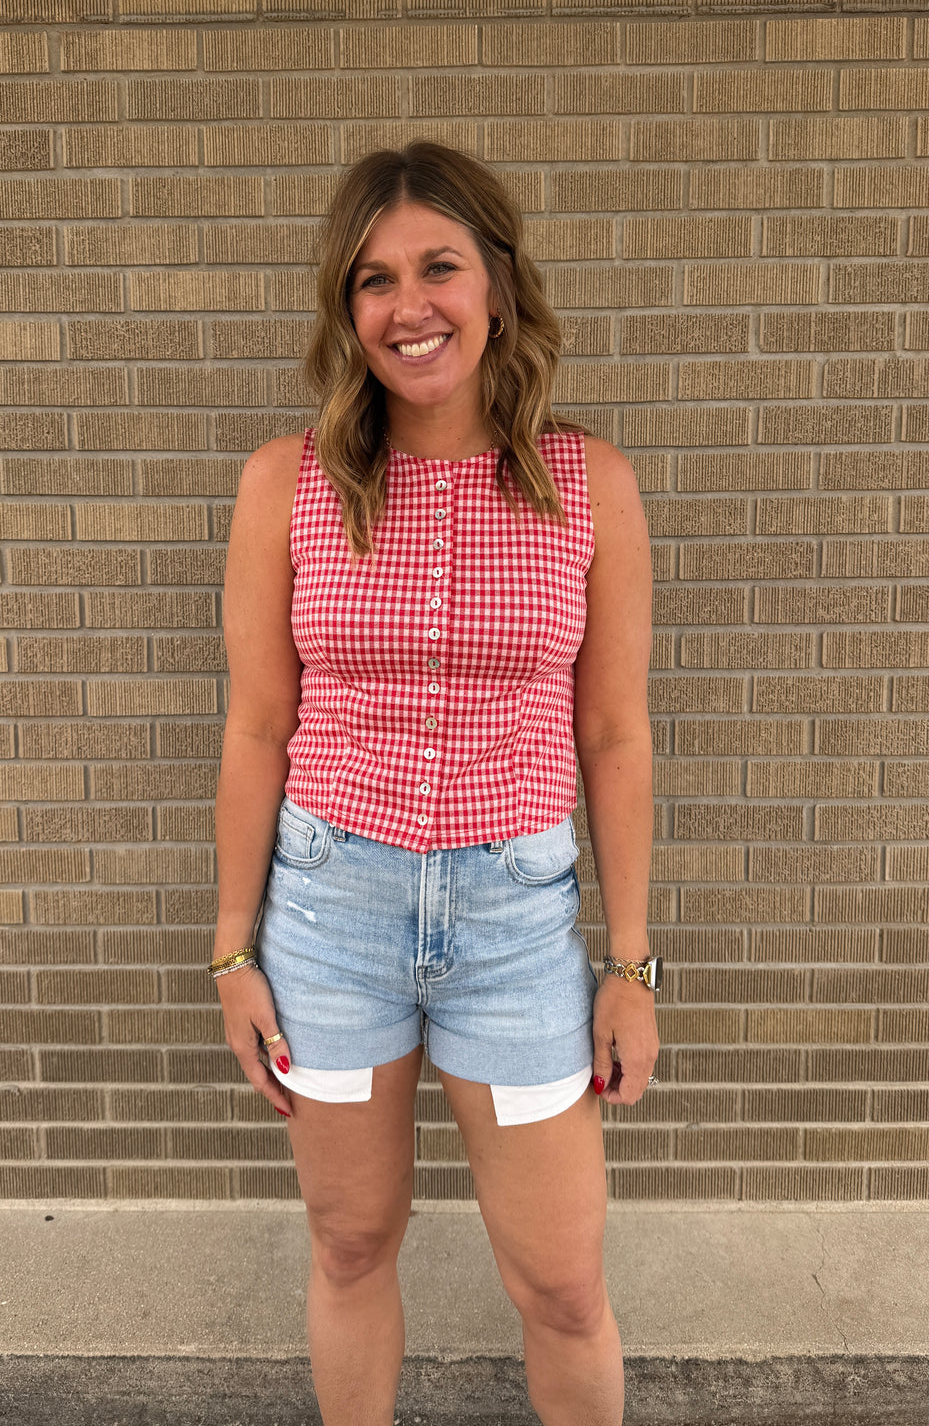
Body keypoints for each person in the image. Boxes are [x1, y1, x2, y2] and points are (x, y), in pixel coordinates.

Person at [212, 141, 657, 1426]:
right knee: (351, 1247)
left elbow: (614, 738)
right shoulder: (285, 485)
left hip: (516, 931)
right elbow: (257, 730)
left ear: (499, 285)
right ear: (345, 312)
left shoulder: (589, 486)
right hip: (329, 923)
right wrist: (231, 950)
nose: (409, 306)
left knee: (565, 1283)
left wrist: (629, 970)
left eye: (439, 267)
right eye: (373, 279)